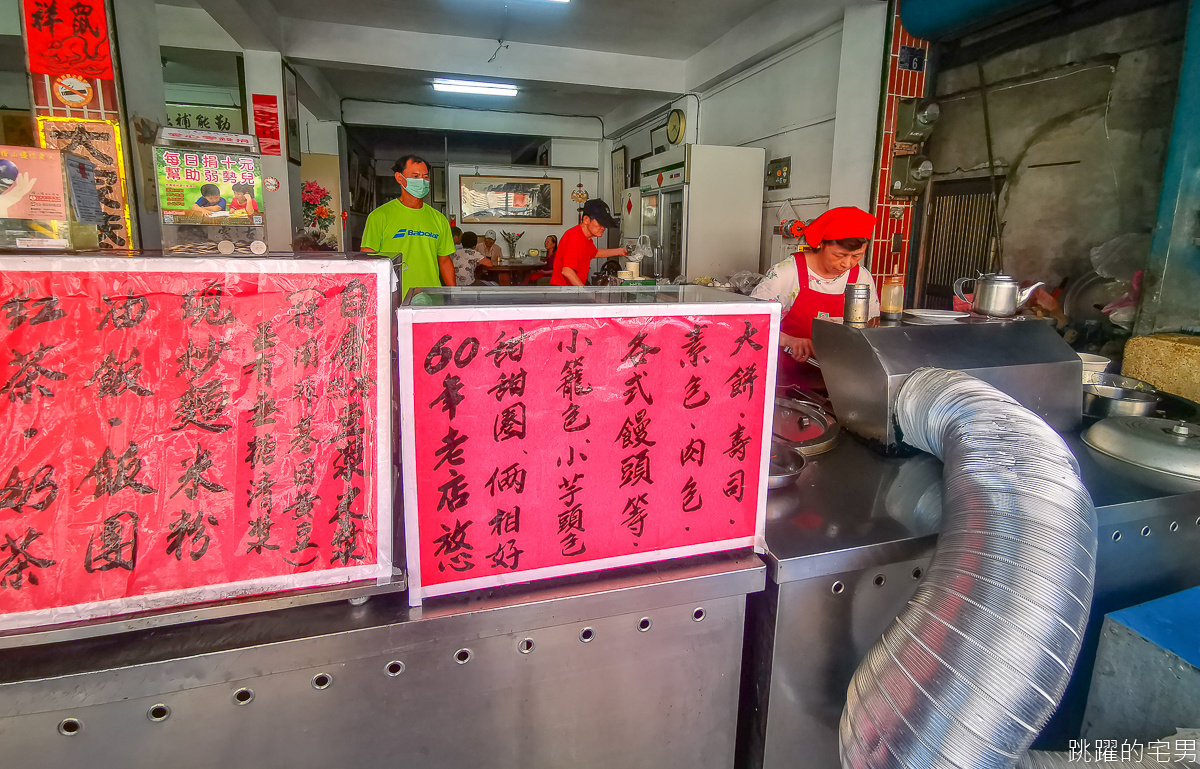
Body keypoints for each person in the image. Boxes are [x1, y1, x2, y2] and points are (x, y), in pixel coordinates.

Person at [752, 206, 879, 364]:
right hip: (784, 371)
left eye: (857, 256)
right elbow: (751, 322)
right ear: (821, 245)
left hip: (838, 371)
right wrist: (787, 340)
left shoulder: (862, 277)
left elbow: (873, 324)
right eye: (839, 255)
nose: (847, 264)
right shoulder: (787, 273)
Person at [361, 154, 456, 294]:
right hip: (392, 295)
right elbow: (368, 260)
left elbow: (445, 261)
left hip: (429, 296)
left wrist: (454, 294)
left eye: (425, 177)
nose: (422, 181)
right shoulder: (379, 216)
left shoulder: (439, 219)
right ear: (399, 178)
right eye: (415, 176)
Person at [550, 200, 629, 287]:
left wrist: (620, 251)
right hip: (563, 291)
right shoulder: (575, 237)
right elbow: (567, 271)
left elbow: (595, 253)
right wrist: (586, 294)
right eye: (600, 223)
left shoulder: (585, 239)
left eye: (605, 225)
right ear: (586, 220)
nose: (603, 228)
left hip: (572, 289)